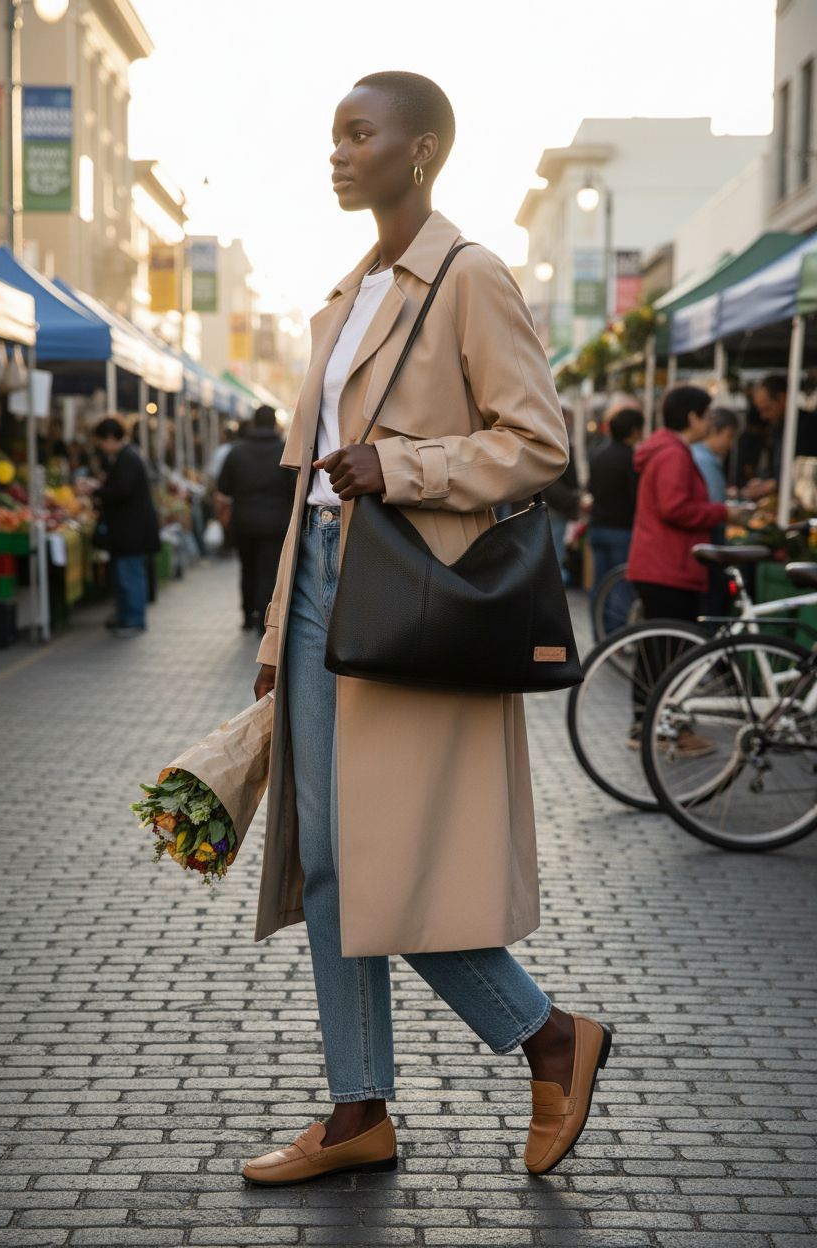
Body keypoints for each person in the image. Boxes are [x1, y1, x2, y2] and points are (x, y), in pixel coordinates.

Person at [241, 71, 611, 1189]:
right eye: (334, 136)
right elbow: (311, 478)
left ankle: (548, 1037)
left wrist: (400, 464)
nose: (340, 153)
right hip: (317, 586)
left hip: (404, 597)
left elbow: (537, 444)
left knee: (376, 857)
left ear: (424, 152)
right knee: (325, 863)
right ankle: (359, 1110)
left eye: (362, 134)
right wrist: (272, 635)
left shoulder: (468, 277)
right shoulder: (347, 297)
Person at [625, 386, 746, 751]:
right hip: (669, 566)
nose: (710, 422)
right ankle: (660, 730)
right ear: (692, 416)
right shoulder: (673, 454)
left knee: (658, 652)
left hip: (661, 564)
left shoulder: (666, 450)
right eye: (707, 414)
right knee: (668, 654)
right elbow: (675, 507)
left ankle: (651, 727)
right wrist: (723, 512)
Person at [217, 405, 295, 631]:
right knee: (269, 571)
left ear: (253, 423)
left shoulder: (236, 451)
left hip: (243, 521)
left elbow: (224, 487)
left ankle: (246, 614)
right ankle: (265, 618)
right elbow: (294, 486)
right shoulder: (285, 451)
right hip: (276, 521)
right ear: (274, 424)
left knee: (247, 568)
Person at [88, 416, 161, 638]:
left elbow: (122, 491)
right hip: (128, 530)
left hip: (131, 531)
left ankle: (134, 620)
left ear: (110, 438)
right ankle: (126, 617)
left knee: (130, 575)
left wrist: (97, 490)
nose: (101, 447)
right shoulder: (126, 457)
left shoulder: (127, 458)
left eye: (101, 441)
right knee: (125, 575)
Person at [587, 406, 644, 593]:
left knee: (600, 585)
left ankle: (597, 622)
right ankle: (615, 624)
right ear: (635, 430)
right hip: (622, 529)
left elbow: (590, 488)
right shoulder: (631, 459)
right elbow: (636, 496)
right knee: (619, 586)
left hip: (597, 525)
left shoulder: (597, 454)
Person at [692, 407, 740, 616]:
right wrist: (727, 513)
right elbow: (711, 503)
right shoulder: (705, 459)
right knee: (714, 601)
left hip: (705, 537)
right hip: (710, 538)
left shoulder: (698, 455)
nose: (730, 444)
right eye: (729, 436)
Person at [746, 373, 817, 497]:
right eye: (761, 410)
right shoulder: (775, 429)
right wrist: (766, 482)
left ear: (782, 399)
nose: (764, 416)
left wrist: (774, 484)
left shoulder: (809, 426)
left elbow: (807, 472)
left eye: (767, 409)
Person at [543, 404, 580, 585]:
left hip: (554, 506)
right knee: (555, 554)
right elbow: (552, 482)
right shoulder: (557, 444)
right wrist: (574, 499)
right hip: (555, 507)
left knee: (552, 552)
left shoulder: (552, 442)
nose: (569, 423)